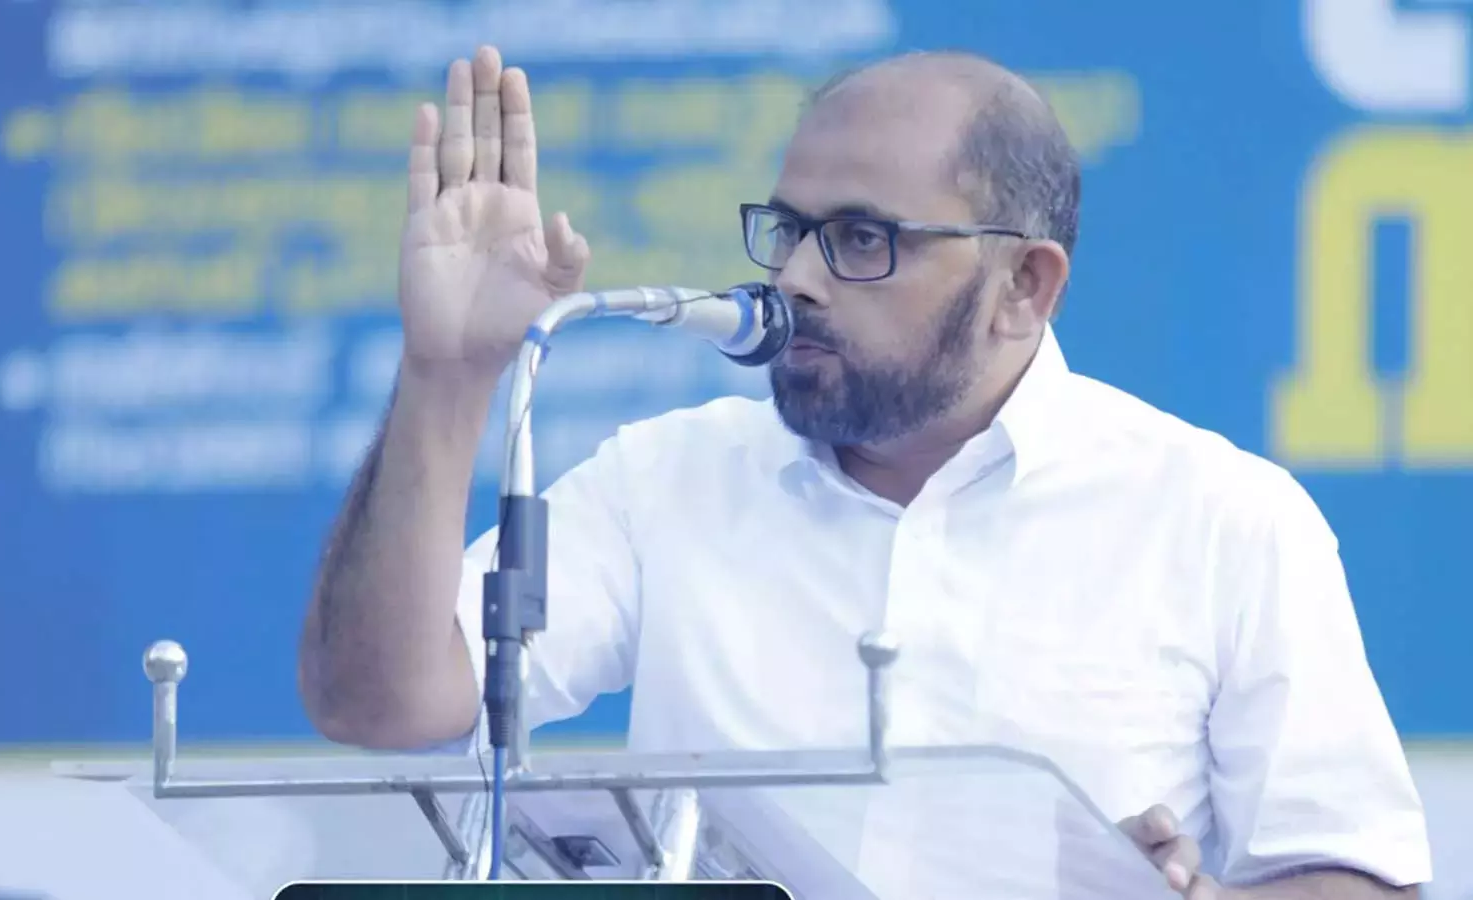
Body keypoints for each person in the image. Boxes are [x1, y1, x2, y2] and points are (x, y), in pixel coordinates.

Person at [297, 45, 1431, 898]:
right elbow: (381, 701)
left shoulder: (1223, 519)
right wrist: (448, 374)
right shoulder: (670, 479)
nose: (796, 277)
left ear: (1025, 287)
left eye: (859, 239)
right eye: (787, 229)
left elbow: (1357, 873)